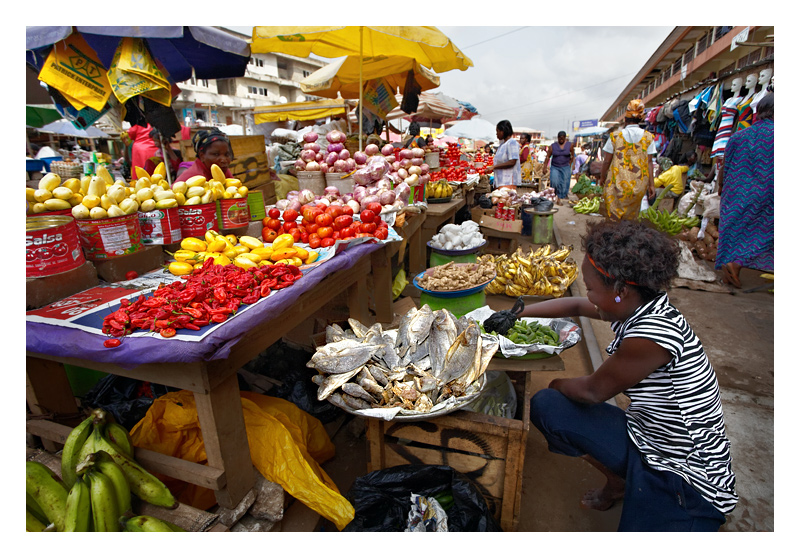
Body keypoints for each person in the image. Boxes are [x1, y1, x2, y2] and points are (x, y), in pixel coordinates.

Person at [520, 219, 738, 531]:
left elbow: (591, 392)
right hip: (647, 435)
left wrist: (556, 383)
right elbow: (577, 304)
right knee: (549, 405)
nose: (589, 295)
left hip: (688, 474)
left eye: (592, 287)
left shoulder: (651, 335)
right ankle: (619, 480)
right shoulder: (637, 303)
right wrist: (518, 312)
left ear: (621, 289)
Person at [715, 92, 774, 289]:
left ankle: (732, 267)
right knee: (763, 233)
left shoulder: (739, 135)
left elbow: (724, 165)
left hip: (737, 193)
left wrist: (721, 187)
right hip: (768, 193)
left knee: (736, 232)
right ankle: (735, 264)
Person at [598, 100, 657, 220]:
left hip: (616, 185)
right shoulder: (648, 137)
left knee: (613, 218)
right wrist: (652, 185)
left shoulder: (615, 136)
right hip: (638, 186)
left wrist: (602, 177)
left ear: (625, 119)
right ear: (640, 119)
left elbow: (606, 161)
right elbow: (649, 163)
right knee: (630, 220)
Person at [487, 120, 520, 189]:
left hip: (508, 181)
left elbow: (512, 162)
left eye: (498, 131)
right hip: (500, 181)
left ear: (503, 131)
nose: (497, 134)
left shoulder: (512, 143)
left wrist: (494, 167)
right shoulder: (502, 144)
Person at [543, 131, 574, 204]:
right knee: (554, 181)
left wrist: (571, 164)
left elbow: (572, 156)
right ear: (557, 138)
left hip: (565, 166)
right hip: (555, 167)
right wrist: (544, 167)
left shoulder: (570, 145)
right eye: (560, 138)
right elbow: (548, 157)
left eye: (562, 138)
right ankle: (555, 194)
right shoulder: (552, 146)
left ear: (565, 138)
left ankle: (560, 197)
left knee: (564, 182)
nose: (561, 140)